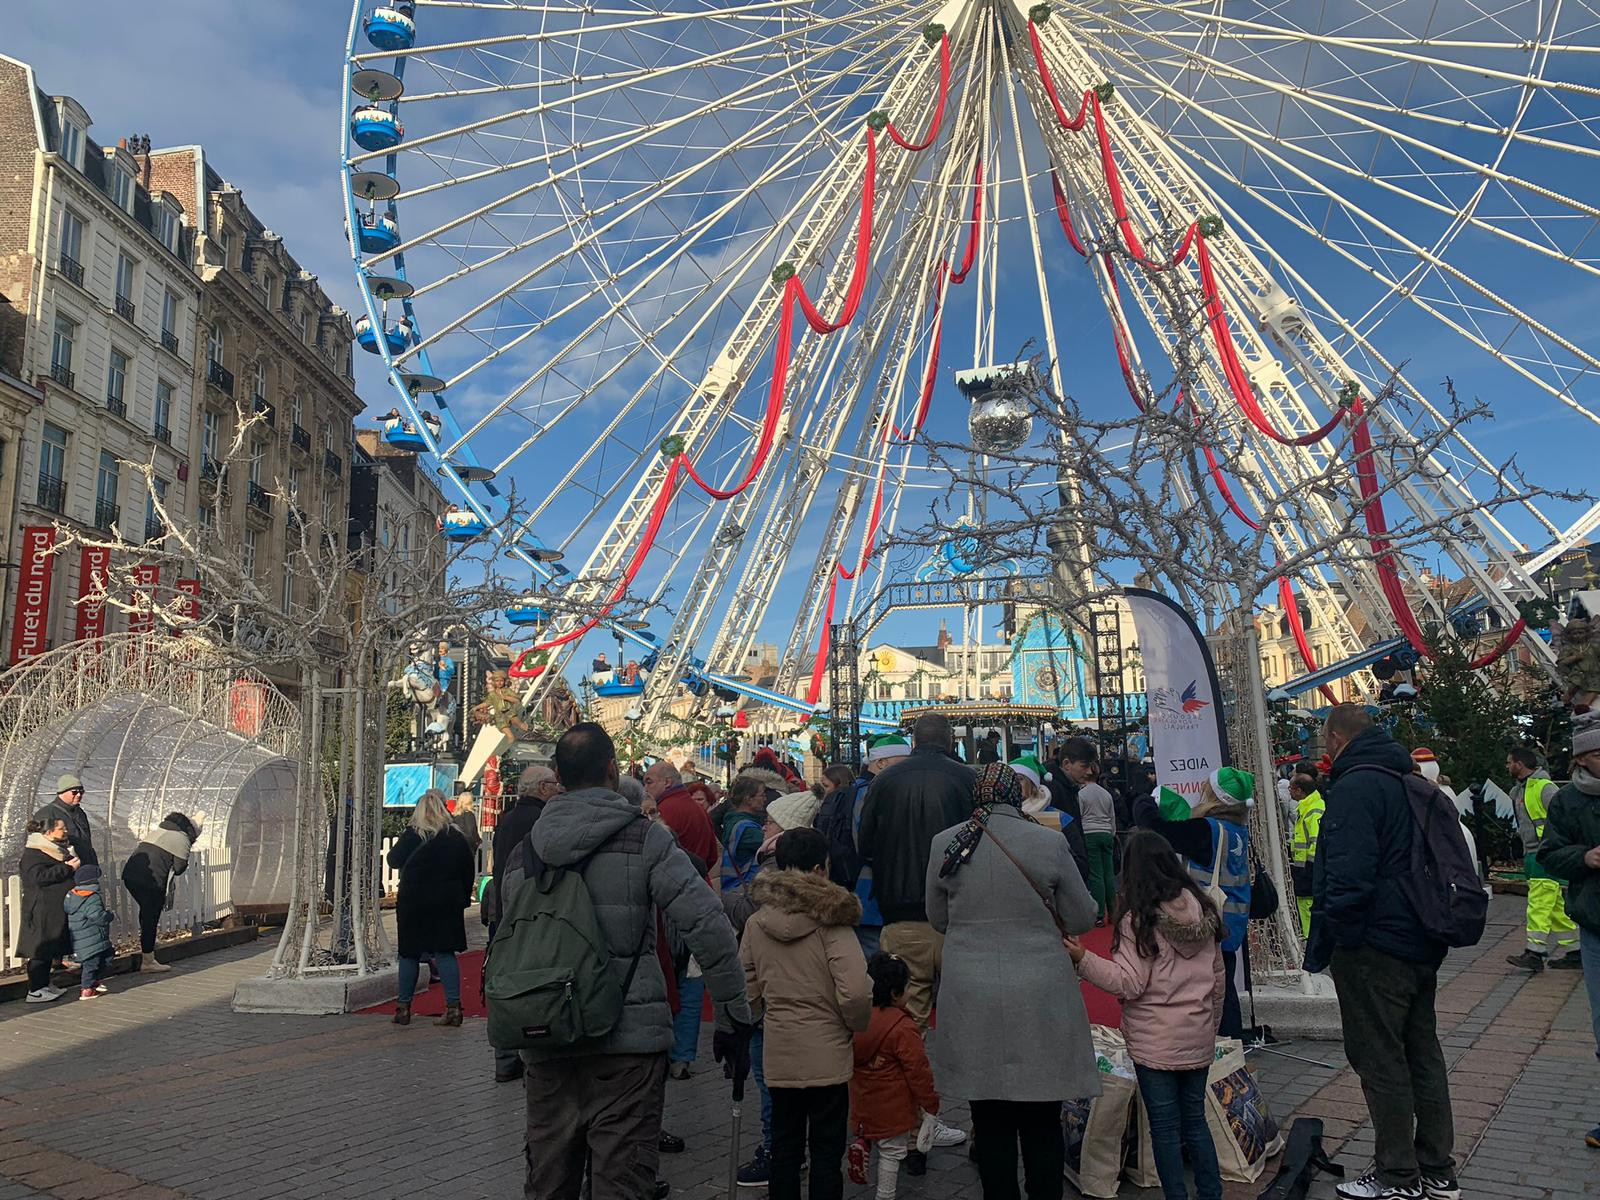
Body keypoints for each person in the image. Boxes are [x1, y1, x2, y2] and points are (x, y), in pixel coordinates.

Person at [505, 723, 752, 1200]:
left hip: (547, 1033)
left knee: (548, 1179)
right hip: (628, 1040)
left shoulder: (524, 851)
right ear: (613, 770)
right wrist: (732, 1016)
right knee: (622, 1180)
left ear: (558, 776)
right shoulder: (645, 840)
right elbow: (709, 927)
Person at [1306, 705, 1459, 1200]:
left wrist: (1343, 936)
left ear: (1335, 738)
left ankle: (1397, 1176)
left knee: (1380, 1058)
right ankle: (1437, 1169)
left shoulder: (1355, 788)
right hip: (1420, 937)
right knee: (1422, 1052)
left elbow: (1348, 875)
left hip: (1374, 946)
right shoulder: (1407, 781)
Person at [929, 762, 1097, 1200]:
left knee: (988, 1117)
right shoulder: (1048, 841)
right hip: (1040, 992)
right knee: (1043, 1116)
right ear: (1017, 795)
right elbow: (1082, 916)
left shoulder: (946, 843)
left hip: (971, 991)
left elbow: (938, 918)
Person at [1067, 831, 1226, 1200]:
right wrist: (1209, 1027)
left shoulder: (1139, 921)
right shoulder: (1204, 910)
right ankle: (1211, 1194)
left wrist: (1082, 959)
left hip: (1156, 1042)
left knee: (1165, 1130)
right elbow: (1217, 980)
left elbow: (1130, 983)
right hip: (1197, 1033)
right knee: (1196, 1122)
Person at [738, 827, 871, 1200]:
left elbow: (746, 988)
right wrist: (853, 1025)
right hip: (827, 1049)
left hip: (780, 1048)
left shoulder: (756, 923)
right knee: (826, 1152)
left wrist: (760, 1017)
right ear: (819, 869)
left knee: (785, 1147)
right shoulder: (832, 922)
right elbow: (855, 990)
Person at [857, 713, 974, 1031]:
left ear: (914, 741)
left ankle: (912, 1062)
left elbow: (864, 843)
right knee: (967, 1012)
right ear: (950, 742)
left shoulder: (884, 781)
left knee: (908, 1013)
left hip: (900, 907)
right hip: (956, 908)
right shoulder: (967, 778)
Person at [1146, 767, 1256, 1039]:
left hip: (1208, 921)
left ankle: (1222, 1043)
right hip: (1231, 921)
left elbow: (1158, 831)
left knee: (1212, 990)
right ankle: (1231, 1042)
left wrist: (1144, 802)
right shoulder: (1236, 829)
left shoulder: (1208, 829)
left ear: (1216, 796)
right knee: (1224, 984)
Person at [1534, 711, 1600, 1149]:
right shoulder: (1566, 801)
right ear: (1581, 759)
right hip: (1595, 923)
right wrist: (1585, 858)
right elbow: (1550, 853)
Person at [485, 764, 561, 1083]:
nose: (559, 789)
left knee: (507, 980)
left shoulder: (507, 819)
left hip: (505, 908)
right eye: (554, 784)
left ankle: (505, 1057)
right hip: (533, 910)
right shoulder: (544, 820)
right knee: (532, 984)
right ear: (543, 788)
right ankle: (532, 1049)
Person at [847, 953, 942, 1200]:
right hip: (893, 1105)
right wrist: (930, 1104)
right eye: (907, 987)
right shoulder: (903, 1027)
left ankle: (863, 1142)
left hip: (863, 1100)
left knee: (872, 1132)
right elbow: (918, 1070)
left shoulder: (859, 1020)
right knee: (892, 1152)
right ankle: (885, 1195)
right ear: (895, 994)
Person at [647, 759, 720, 1081]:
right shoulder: (695, 808)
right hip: (696, 904)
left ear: (667, 781)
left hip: (668, 915)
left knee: (670, 985)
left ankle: (667, 1053)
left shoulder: (669, 813)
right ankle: (683, 1057)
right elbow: (711, 856)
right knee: (690, 986)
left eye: (650, 781)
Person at [387, 788, 476, 1028]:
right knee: (445, 953)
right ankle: (453, 1007)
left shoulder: (413, 835)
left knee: (409, 953)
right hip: (446, 902)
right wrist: (463, 898)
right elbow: (468, 870)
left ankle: (403, 1008)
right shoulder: (455, 837)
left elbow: (393, 860)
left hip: (414, 902)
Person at [1505, 746, 1581, 971]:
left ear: (1519, 764)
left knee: (1538, 903)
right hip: (1536, 852)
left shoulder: (1544, 787)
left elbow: (1564, 818)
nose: (1507, 766)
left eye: (1509, 762)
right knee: (1555, 907)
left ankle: (1534, 952)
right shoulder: (1521, 789)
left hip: (1544, 853)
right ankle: (1575, 950)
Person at [121, 811, 201, 973]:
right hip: (150, 881)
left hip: (130, 876)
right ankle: (148, 961)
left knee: (146, 912)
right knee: (151, 915)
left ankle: (148, 943)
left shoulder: (159, 831)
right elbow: (179, 868)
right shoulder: (182, 839)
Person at [19, 814, 79, 1003]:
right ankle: (35, 989)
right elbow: (38, 878)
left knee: (49, 948)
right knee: (39, 949)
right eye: (61, 828)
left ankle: (45, 984)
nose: (65, 831)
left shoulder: (54, 850)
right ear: (48, 832)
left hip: (52, 908)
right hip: (40, 909)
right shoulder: (34, 853)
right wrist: (67, 868)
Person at [64, 864, 116, 1000]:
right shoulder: (91, 897)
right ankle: (87, 988)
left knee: (105, 956)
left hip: (84, 937)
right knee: (92, 963)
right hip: (92, 937)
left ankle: (94, 982)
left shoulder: (72, 895)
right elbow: (97, 916)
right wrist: (109, 916)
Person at [1048, 739, 1095, 887]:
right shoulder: (1053, 790)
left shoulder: (1066, 786)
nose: (1089, 772)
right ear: (1067, 764)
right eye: (1084, 766)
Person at [1079, 762, 1118, 923]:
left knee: (1096, 875)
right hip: (1106, 833)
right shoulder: (1106, 794)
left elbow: (1080, 815)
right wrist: (1112, 833)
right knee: (1109, 873)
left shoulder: (1081, 794)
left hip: (1090, 833)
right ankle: (1113, 912)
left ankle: (1099, 914)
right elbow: (1112, 816)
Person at [1288, 773, 1325, 937]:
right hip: (1306, 866)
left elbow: (1316, 841)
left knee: (1307, 903)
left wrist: (1310, 866)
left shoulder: (1312, 810)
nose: (1289, 791)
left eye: (1291, 788)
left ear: (1299, 790)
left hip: (1309, 868)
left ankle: (1311, 937)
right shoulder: (1309, 807)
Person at [40, 774, 97, 866]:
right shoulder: (47, 814)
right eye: (74, 792)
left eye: (81, 792)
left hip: (85, 866)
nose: (79, 795)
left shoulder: (79, 812)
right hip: (65, 868)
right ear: (62, 792)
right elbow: (43, 847)